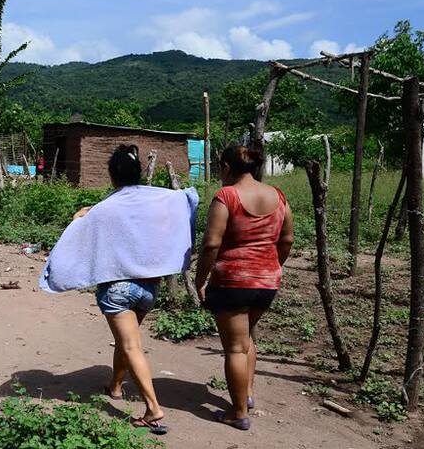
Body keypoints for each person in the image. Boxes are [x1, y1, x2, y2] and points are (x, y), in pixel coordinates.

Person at [40, 145, 199, 436]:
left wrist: (78, 217)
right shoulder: (162, 199)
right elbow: (189, 197)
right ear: (138, 173)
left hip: (118, 290)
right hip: (149, 290)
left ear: (112, 176)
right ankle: (115, 386)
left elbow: (78, 231)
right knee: (127, 340)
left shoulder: (103, 209)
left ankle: (153, 410)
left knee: (130, 345)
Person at [194, 145, 294, 431]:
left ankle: (237, 413)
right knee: (247, 340)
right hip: (267, 282)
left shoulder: (226, 196)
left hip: (232, 282)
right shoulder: (278, 196)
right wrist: (272, 265)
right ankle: (246, 395)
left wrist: (201, 280)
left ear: (226, 167)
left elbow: (212, 243)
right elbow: (286, 240)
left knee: (235, 348)